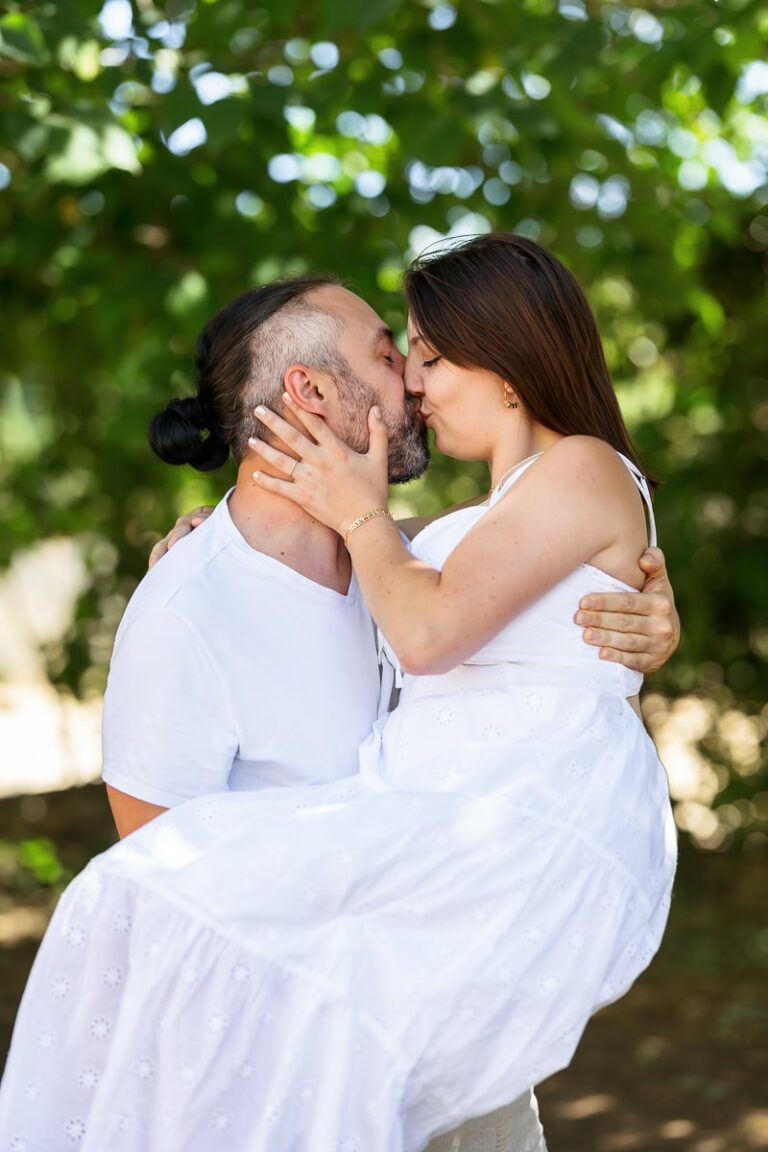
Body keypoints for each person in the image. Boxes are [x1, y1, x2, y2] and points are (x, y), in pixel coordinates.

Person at [0, 237, 678, 1152]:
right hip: (299, 1056)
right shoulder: (194, 606)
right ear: (313, 393)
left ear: (506, 368)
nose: (414, 384)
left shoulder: (406, 548)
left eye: (426, 357)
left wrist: (648, 626)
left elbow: (468, 609)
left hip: (443, 996)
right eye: (395, 358)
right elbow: (173, 878)